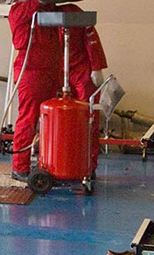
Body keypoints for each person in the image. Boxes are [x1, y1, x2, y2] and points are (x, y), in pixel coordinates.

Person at [8, 0, 107, 182]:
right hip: (32, 70)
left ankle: (52, 164)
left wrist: (96, 66)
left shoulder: (55, 10)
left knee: (51, 122)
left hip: (54, 70)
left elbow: (89, 34)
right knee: (29, 118)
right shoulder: (20, 9)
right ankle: (20, 168)